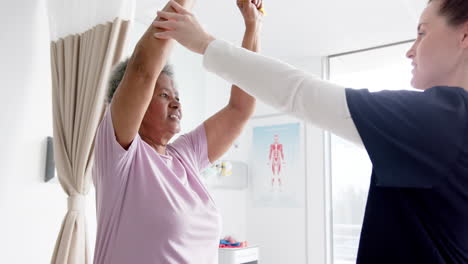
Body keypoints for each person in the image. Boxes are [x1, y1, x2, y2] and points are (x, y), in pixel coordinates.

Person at [153, 0, 468, 262]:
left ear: (464, 37)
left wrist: (204, 43)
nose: (410, 51)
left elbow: (299, 93)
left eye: (422, 34)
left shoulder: (445, 118)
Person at [92, 0, 264, 263]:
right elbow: (142, 70)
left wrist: (253, 25)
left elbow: (240, 109)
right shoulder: (120, 156)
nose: (176, 102)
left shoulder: (186, 155)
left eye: (177, 96)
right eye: (163, 94)